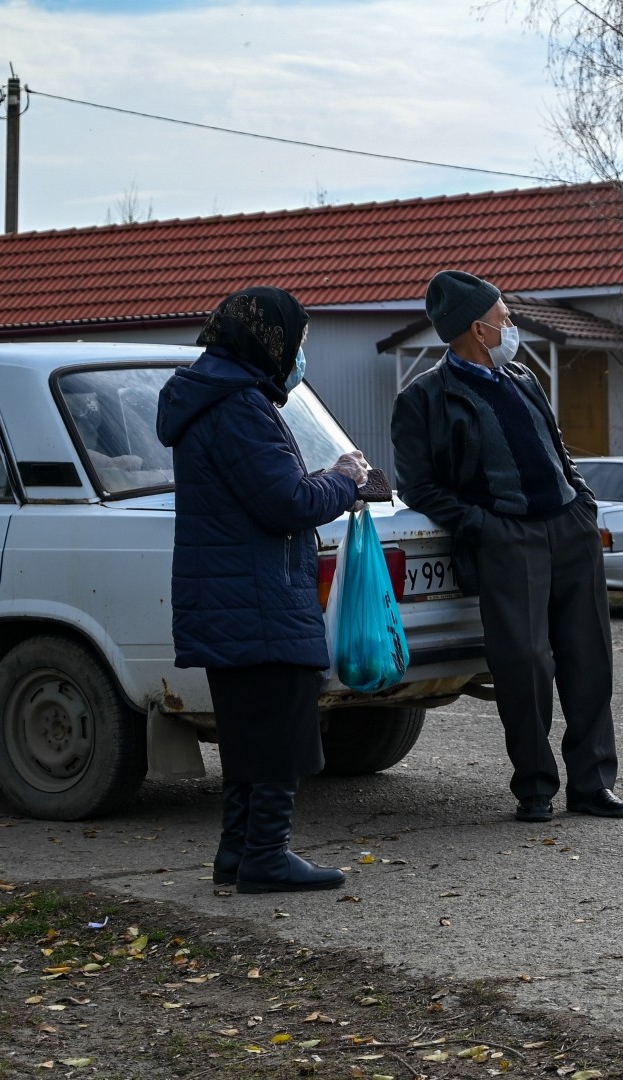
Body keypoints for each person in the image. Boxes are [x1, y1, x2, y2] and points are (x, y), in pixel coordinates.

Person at [390, 270, 623, 823]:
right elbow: (419, 486)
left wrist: (582, 502)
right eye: (504, 317)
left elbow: (557, 448)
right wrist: (484, 526)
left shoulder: (522, 377)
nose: (511, 325)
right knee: (524, 665)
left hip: (567, 528)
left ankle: (593, 785)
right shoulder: (424, 398)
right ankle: (535, 787)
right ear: (479, 329)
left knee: (588, 658)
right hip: (507, 538)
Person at [157, 286, 369, 894]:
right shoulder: (239, 406)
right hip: (257, 597)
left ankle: (238, 852)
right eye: (298, 342)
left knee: (251, 733)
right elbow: (286, 501)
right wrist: (344, 481)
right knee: (278, 732)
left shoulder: (217, 397)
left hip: (234, 599)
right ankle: (267, 854)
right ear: (268, 341)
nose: (301, 356)